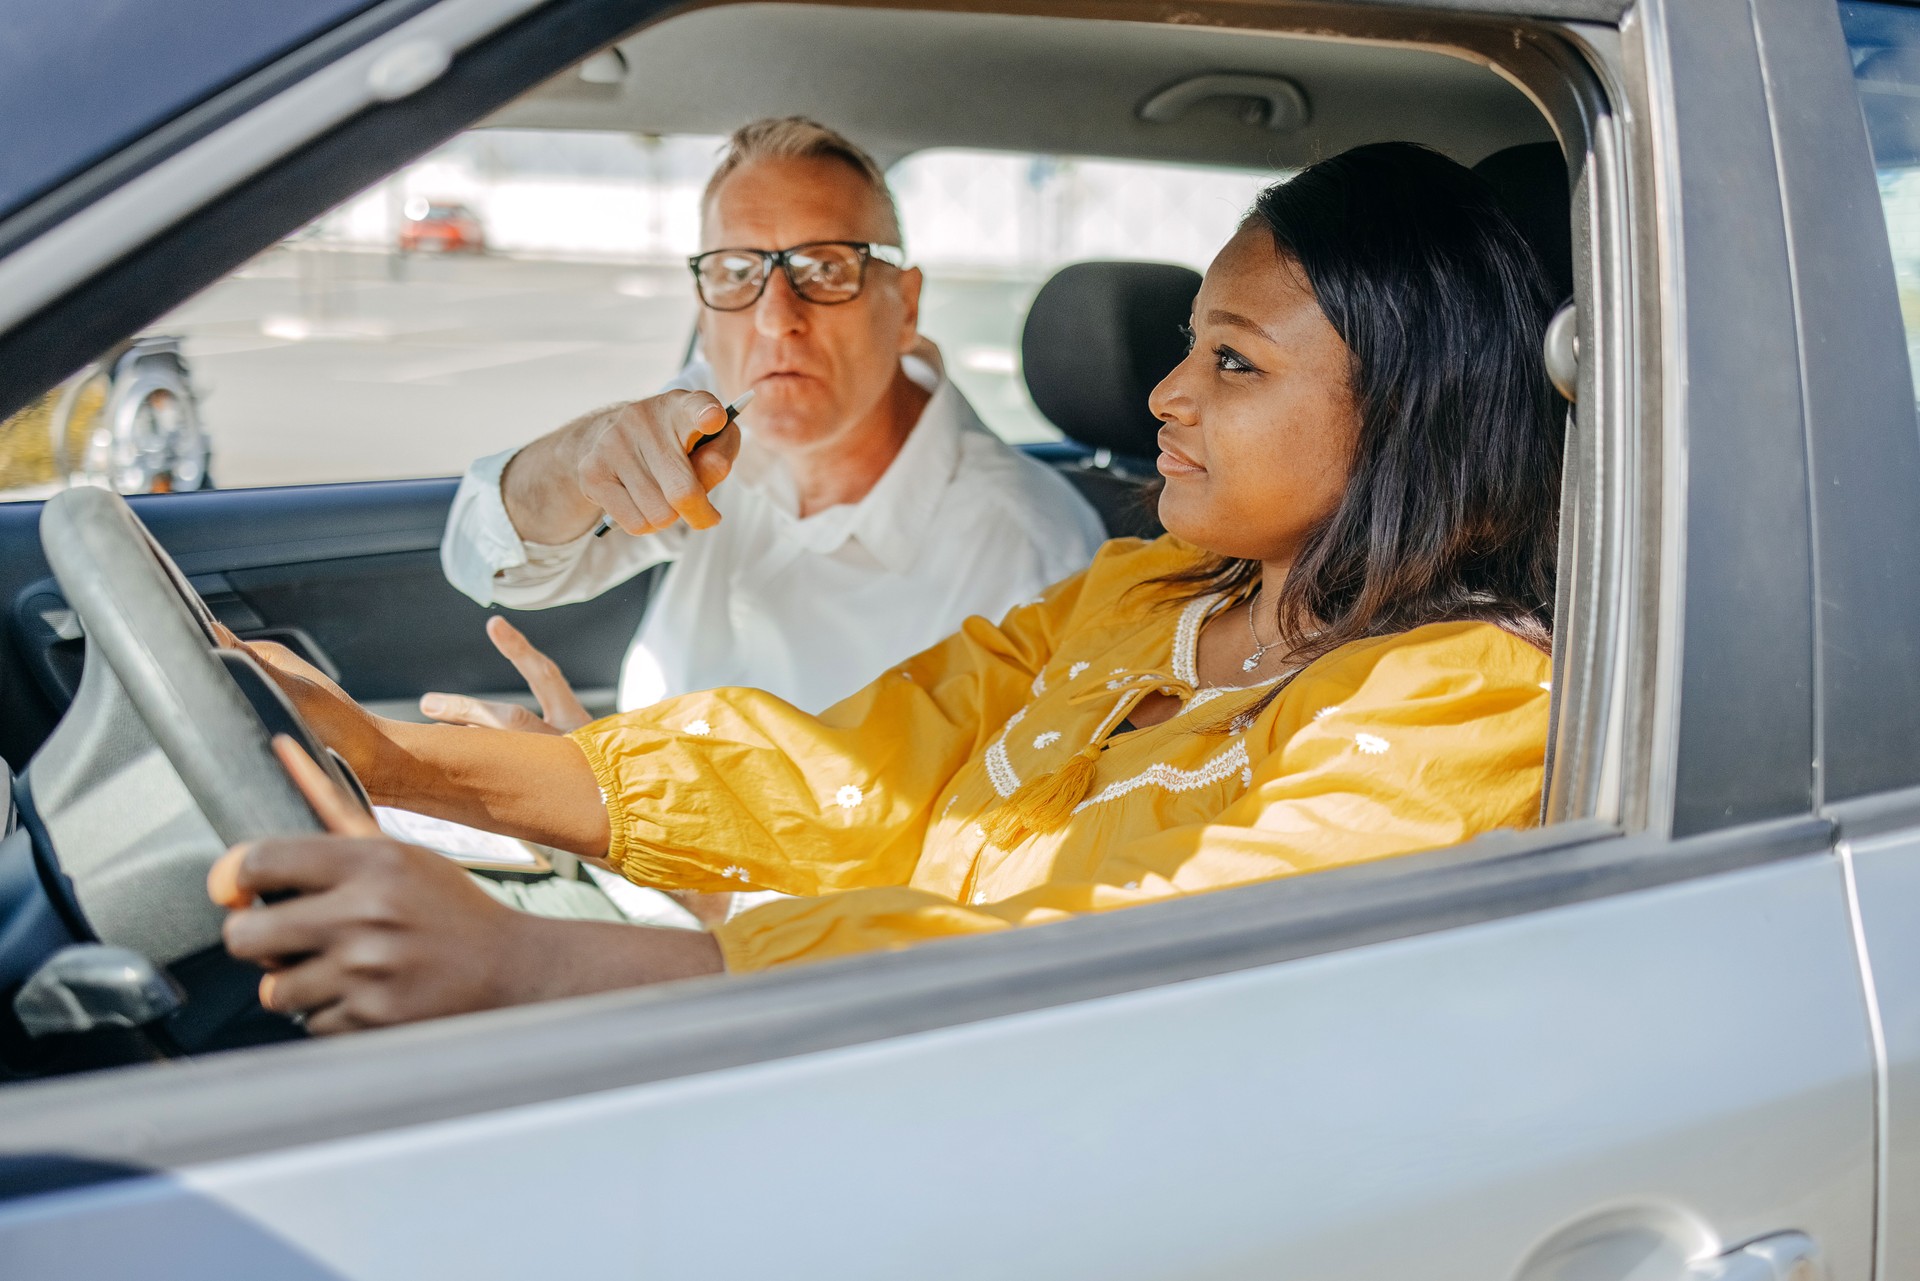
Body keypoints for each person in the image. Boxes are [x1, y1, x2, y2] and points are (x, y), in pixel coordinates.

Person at [212, 142, 1564, 1034]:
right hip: (831, 1033)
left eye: (1234, 363)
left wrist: (548, 967)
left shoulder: (1466, 699)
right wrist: (390, 757)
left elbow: (1117, 973)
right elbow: (836, 774)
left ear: (1406, 414)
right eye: (1185, 348)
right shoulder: (1142, 596)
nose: (1164, 395)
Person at [431, 117, 1105, 731]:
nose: (775, 316)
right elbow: (487, 563)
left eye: (825, 268)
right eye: (735, 272)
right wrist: (583, 454)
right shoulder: (701, 431)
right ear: (703, 313)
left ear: (905, 305)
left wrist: (603, 806)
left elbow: (987, 842)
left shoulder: (1029, 551)